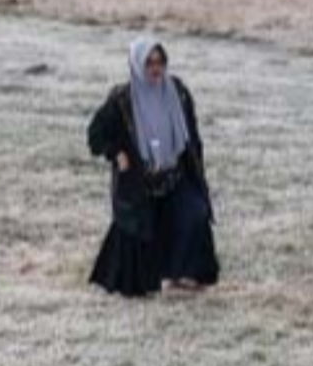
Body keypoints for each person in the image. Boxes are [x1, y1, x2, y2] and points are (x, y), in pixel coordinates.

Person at [87, 37, 220, 298]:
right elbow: (96, 134)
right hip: (140, 179)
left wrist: (196, 165)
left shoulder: (178, 92)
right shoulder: (121, 99)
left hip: (175, 174)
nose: (155, 69)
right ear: (137, 65)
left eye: (160, 62)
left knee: (194, 213)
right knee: (139, 230)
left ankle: (183, 274)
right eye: (148, 63)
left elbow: (191, 133)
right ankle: (140, 281)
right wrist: (117, 154)